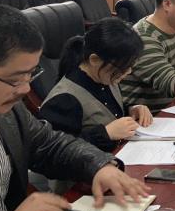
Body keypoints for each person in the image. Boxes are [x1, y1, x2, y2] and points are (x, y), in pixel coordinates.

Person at [0, 5, 149, 211]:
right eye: (15, 79)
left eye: (30, 75)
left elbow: (49, 144)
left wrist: (99, 165)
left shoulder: (8, 111)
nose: (25, 89)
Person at [39, 18, 153, 152]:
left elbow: (107, 110)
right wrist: (106, 133)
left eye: (130, 66)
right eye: (123, 68)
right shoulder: (64, 99)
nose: (128, 72)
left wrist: (132, 109)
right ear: (94, 60)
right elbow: (55, 150)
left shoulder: (105, 76)